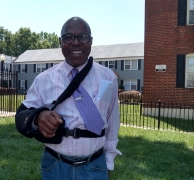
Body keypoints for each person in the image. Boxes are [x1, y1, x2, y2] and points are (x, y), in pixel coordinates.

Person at [15, 16, 121, 180]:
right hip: (55, 166)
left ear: (91, 41)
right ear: (60, 42)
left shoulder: (107, 79)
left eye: (83, 37)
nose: (76, 42)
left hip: (94, 165)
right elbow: (23, 115)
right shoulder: (44, 80)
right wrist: (38, 118)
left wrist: (108, 161)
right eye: (68, 37)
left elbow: (112, 123)